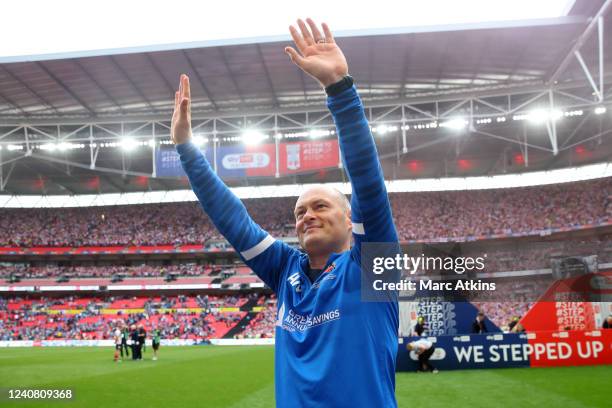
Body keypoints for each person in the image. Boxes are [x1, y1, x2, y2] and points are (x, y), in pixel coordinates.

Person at [172, 18, 399, 408]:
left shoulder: (371, 269)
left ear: (351, 221)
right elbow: (232, 219)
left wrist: (340, 89)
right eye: (299, 211)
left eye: (320, 205)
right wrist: (186, 149)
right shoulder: (286, 271)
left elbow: (367, 182)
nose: (307, 215)